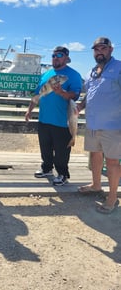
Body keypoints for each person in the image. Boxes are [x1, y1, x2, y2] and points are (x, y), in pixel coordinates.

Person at [25, 46, 82, 186]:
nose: (55, 57)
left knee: (62, 151)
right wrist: (29, 109)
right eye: (53, 55)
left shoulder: (73, 75)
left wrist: (61, 92)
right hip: (44, 118)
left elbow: (75, 95)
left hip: (62, 121)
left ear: (66, 58)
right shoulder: (47, 73)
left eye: (59, 55)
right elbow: (38, 94)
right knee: (45, 147)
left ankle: (62, 173)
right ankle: (47, 168)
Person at [77, 37, 121, 214]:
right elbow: (90, 94)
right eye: (96, 49)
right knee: (95, 155)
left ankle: (112, 196)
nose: (99, 51)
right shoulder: (91, 72)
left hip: (114, 125)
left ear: (111, 49)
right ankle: (96, 185)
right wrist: (80, 106)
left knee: (112, 162)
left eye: (103, 48)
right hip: (93, 124)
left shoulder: (119, 68)